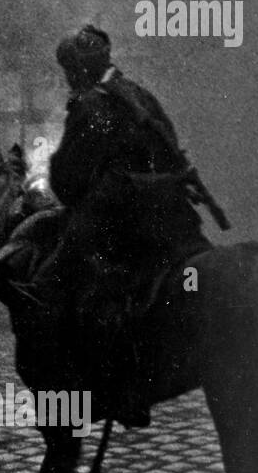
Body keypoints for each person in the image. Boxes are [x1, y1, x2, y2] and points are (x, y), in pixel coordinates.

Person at [34, 25, 210, 428]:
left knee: (55, 284)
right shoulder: (139, 95)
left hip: (120, 215)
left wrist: (65, 185)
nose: (68, 79)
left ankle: (108, 390)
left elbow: (68, 178)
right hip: (171, 213)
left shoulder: (93, 105)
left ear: (80, 70)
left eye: (69, 70)